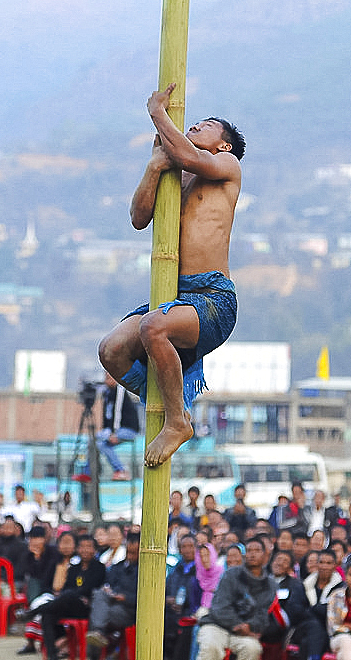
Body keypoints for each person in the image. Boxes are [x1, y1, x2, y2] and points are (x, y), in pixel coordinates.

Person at [98, 82, 244, 467]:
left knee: (152, 329)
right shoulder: (176, 174)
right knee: (110, 350)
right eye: (192, 123)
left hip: (212, 298)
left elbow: (184, 152)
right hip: (175, 295)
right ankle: (165, 395)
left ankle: (178, 421)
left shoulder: (226, 167)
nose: (195, 126)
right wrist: (153, 166)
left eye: (206, 125)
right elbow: (138, 217)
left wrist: (158, 114)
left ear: (223, 144)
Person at [196, 538, 276, 660]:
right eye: (249, 550)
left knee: (252, 649)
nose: (252, 554)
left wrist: (249, 627)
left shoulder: (270, 584)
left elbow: (263, 614)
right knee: (211, 648)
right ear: (244, 555)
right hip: (217, 625)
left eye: (257, 550)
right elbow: (220, 607)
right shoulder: (230, 574)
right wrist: (238, 624)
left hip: (245, 632)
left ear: (265, 556)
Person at [86, 533, 140, 656]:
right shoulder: (118, 567)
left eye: (134, 553)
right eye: (129, 552)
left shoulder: (143, 570)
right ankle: (98, 633)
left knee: (97, 613)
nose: (130, 556)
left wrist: (125, 597)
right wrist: (109, 591)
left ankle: (97, 638)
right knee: (98, 594)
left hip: (128, 610)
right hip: (110, 602)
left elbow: (143, 599)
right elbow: (107, 583)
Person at [95, 374, 140, 480]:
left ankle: (121, 470)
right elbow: (106, 415)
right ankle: (89, 472)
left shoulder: (120, 391)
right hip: (114, 429)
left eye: (109, 378)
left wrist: (113, 433)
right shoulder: (107, 393)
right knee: (96, 441)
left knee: (101, 442)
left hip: (127, 429)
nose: (106, 381)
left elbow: (117, 412)